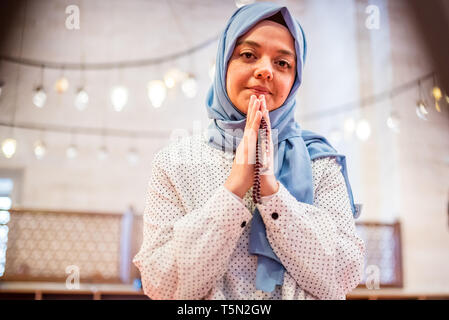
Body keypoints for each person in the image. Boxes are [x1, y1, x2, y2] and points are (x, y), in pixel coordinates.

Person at [133, 2, 365, 300]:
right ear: (223, 63)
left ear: (295, 79)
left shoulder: (320, 161)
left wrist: (272, 193)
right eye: (248, 55)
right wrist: (234, 189)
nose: (265, 70)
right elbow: (160, 284)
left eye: (283, 63)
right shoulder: (176, 163)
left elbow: (344, 274)